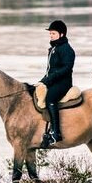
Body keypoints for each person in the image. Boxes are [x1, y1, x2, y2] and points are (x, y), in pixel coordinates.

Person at [39, 19, 75, 148]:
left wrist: (48, 80)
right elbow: (50, 70)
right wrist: (42, 81)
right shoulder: (54, 48)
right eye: (50, 34)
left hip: (63, 83)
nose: (51, 36)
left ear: (62, 34)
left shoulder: (66, 49)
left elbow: (65, 69)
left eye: (53, 34)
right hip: (53, 81)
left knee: (50, 99)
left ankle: (56, 133)